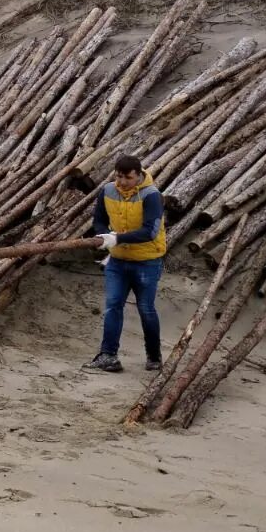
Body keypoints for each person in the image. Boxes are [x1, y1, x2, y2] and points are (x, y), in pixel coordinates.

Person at [85, 153, 167, 373]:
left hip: (146, 261)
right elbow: (99, 220)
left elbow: (149, 231)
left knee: (146, 309)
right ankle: (108, 355)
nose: (122, 182)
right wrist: (104, 236)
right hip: (118, 261)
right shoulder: (108, 191)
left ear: (139, 175)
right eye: (119, 176)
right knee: (113, 305)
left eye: (127, 178)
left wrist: (117, 238)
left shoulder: (152, 196)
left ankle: (154, 356)